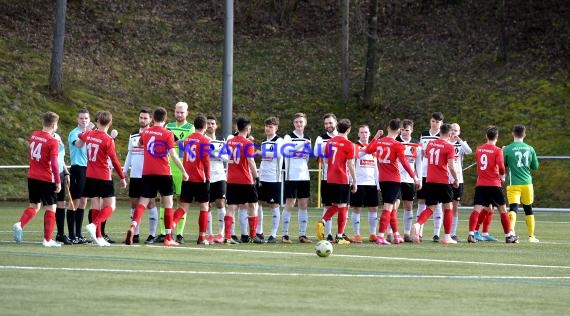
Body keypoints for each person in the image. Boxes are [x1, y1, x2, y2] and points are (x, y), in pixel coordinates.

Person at [126, 107, 189, 246]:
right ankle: (168, 238)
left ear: (153, 118)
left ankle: (133, 226)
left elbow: (139, 144)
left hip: (147, 173)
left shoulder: (146, 132)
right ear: (165, 119)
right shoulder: (168, 133)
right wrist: (184, 171)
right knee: (168, 204)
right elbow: (173, 155)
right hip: (164, 173)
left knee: (142, 203)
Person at [365, 119, 421, 245]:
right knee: (388, 208)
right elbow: (404, 163)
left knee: (392, 209)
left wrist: (376, 137)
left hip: (382, 179)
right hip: (394, 179)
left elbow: (368, 150)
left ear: (388, 128)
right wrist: (414, 177)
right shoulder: (398, 145)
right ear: (399, 130)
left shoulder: (379, 142)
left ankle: (396, 234)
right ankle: (380, 236)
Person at [77, 111, 127, 246]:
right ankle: (94, 225)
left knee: (95, 206)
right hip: (103, 176)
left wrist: (88, 130)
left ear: (97, 121)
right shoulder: (108, 140)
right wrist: (122, 177)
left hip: (90, 175)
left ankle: (98, 237)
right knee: (111, 206)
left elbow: (80, 135)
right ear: (110, 123)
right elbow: (115, 161)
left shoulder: (90, 134)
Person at [13, 112, 62, 247]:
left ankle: (20, 224)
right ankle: (47, 240)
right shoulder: (53, 141)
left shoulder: (34, 135)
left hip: (32, 176)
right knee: (51, 208)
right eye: (56, 124)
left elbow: (30, 152)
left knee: (34, 205)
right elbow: (54, 163)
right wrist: (58, 181)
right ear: (53, 124)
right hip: (46, 178)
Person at [467, 126, 519, 243]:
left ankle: (471, 234)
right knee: (503, 210)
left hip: (481, 184)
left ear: (486, 136)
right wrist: (503, 176)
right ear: (497, 137)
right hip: (494, 184)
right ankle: (508, 236)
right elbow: (501, 166)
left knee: (476, 209)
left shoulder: (479, 149)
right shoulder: (497, 150)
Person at [411, 123, 459, 244]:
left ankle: (418, 224)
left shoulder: (431, 143)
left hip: (430, 180)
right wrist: (456, 179)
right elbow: (451, 167)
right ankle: (447, 236)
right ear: (449, 134)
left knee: (431, 207)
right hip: (442, 181)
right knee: (448, 207)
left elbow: (426, 154)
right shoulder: (449, 147)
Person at [156, 101, 195, 244]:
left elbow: (190, 150)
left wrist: (179, 142)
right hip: (167, 168)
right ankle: (163, 232)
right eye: (177, 112)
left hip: (182, 169)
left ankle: (179, 233)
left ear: (187, 113)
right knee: (164, 201)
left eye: (182, 112)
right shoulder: (168, 126)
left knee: (181, 201)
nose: (179, 114)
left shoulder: (191, 128)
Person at [170, 115, 212, 245]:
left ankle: (171, 224)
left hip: (187, 177)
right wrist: (208, 178)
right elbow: (206, 161)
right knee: (204, 206)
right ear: (205, 126)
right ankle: (201, 237)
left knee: (183, 207)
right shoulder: (205, 140)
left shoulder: (188, 139)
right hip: (200, 178)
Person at [316, 118, 357, 244]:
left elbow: (327, 161)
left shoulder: (329, 142)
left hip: (330, 178)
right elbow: (350, 163)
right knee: (343, 206)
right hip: (342, 178)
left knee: (335, 205)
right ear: (349, 130)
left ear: (337, 128)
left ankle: (323, 220)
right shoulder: (349, 144)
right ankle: (339, 236)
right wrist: (355, 181)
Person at [224, 117, 263, 244]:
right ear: (248, 129)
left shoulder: (230, 142)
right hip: (245, 179)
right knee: (253, 205)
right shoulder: (248, 144)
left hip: (231, 179)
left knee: (231, 207)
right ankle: (252, 236)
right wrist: (256, 177)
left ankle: (228, 236)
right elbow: (251, 161)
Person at [122, 108, 159, 244]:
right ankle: (135, 234)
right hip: (135, 175)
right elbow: (129, 154)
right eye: (141, 118)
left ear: (150, 119)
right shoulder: (133, 136)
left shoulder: (153, 135)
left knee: (151, 203)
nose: (142, 120)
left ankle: (151, 234)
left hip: (149, 175)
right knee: (134, 203)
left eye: (145, 118)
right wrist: (124, 171)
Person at [503, 124, 540, 243]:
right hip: (527, 183)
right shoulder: (530, 148)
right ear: (524, 135)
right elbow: (535, 166)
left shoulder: (508, 148)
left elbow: (503, 166)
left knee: (513, 208)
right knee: (528, 209)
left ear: (513, 133)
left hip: (514, 184)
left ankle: (512, 232)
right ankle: (531, 236)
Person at [281, 113, 312, 244]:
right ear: (294, 124)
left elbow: (307, 157)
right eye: (296, 122)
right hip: (291, 175)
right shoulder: (289, 136)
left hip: (304, 175)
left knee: (303, 204)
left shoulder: (307, 137)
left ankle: (302, 234)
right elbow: (287, 151)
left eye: (301, 122)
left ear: (305, 123)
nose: (299, 124)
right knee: (290, 203)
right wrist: (302, 146)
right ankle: (285, 235)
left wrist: (307, 148)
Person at [255, 117, 285, 243]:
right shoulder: (263, 142)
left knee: (274, 205)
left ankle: (273, 234)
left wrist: (261, 152)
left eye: (271, 126)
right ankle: (259, 231)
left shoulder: (280, 140)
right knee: (258, 203)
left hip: (274, 178)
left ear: (276, 128)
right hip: (263, 177)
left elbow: (278, 154)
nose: (268, 128)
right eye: (267, 126)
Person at [348, 125, 379, 243]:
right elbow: (352, 162)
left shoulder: (374, 149)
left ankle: (373, 234)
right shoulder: (355, 146)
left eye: (366, 132)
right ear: (358, 134)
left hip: (371, 183)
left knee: (374, 208)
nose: (364, 134)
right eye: (362, 132)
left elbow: (376, 166)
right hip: (359, 183)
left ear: (369, 133)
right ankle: (357, 234)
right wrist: (352, 181)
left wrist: (378, 183)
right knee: (357, 208)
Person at [393, 119, 422, 242]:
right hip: (396, 178)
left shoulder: (416, 144)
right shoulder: (395, 141)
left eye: (407, 130)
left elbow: (419, 163)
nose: (405, 132)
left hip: (410, 180)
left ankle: (406, 233)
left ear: (412, 130)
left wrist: (419, 178)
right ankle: (391, 232)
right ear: (400, 130)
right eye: (403, 130)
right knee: (394, 205)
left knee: (408, 206)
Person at [67, 109, 90, 244]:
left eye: (86, 118)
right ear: (77, 119)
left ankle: (79, 234)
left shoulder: (89, 133)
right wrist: (87, 132)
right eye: (81, 118)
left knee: (83, 202)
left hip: (88, 168)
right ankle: (71, 234)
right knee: (74, 201)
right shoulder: (74, 133)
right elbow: (80, 144)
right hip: (78, 168)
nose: (84, 120)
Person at [314, 113, 338, 243]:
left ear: (336, 123)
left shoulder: (342, 137)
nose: (328, 125)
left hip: (341, 178)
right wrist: (331, 143)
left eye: (330, 123)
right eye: (326, 124)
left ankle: (340, 233)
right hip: (327, 178)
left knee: (342, 205)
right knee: (328, 205)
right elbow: (317, 152)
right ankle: (328, 233)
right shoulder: (320, 138)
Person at [204, 115, 227, 244]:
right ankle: (210, 234)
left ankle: (221, 233)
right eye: (208, 123)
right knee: (207, 205)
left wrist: (215, 154)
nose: (210, 125)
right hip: (206, 176)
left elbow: (226, 157)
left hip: (219, 175)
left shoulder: (221, 140)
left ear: (216, 126)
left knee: (221, 203)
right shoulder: (202, 139)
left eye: (213, 123)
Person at [448, 123, 472, 241]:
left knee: (455, 207)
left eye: (456, 130)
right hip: (446, 179)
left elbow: (469, 151)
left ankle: (453, 233)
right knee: (445, 207)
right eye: (452, 130)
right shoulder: (445, 142)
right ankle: (443, 232)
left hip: (458, 179)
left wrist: (460, 140)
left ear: (459, 132)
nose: (453, 132)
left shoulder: (460, 144)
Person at [53, 132, 72, 245]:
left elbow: (61, 158)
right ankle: (47, 236)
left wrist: (65, 172)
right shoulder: (48, 139)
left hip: (60, 173)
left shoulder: (58, 137)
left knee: (61, 204)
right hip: (51, 175)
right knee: (51, 206)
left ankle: (60, 234)